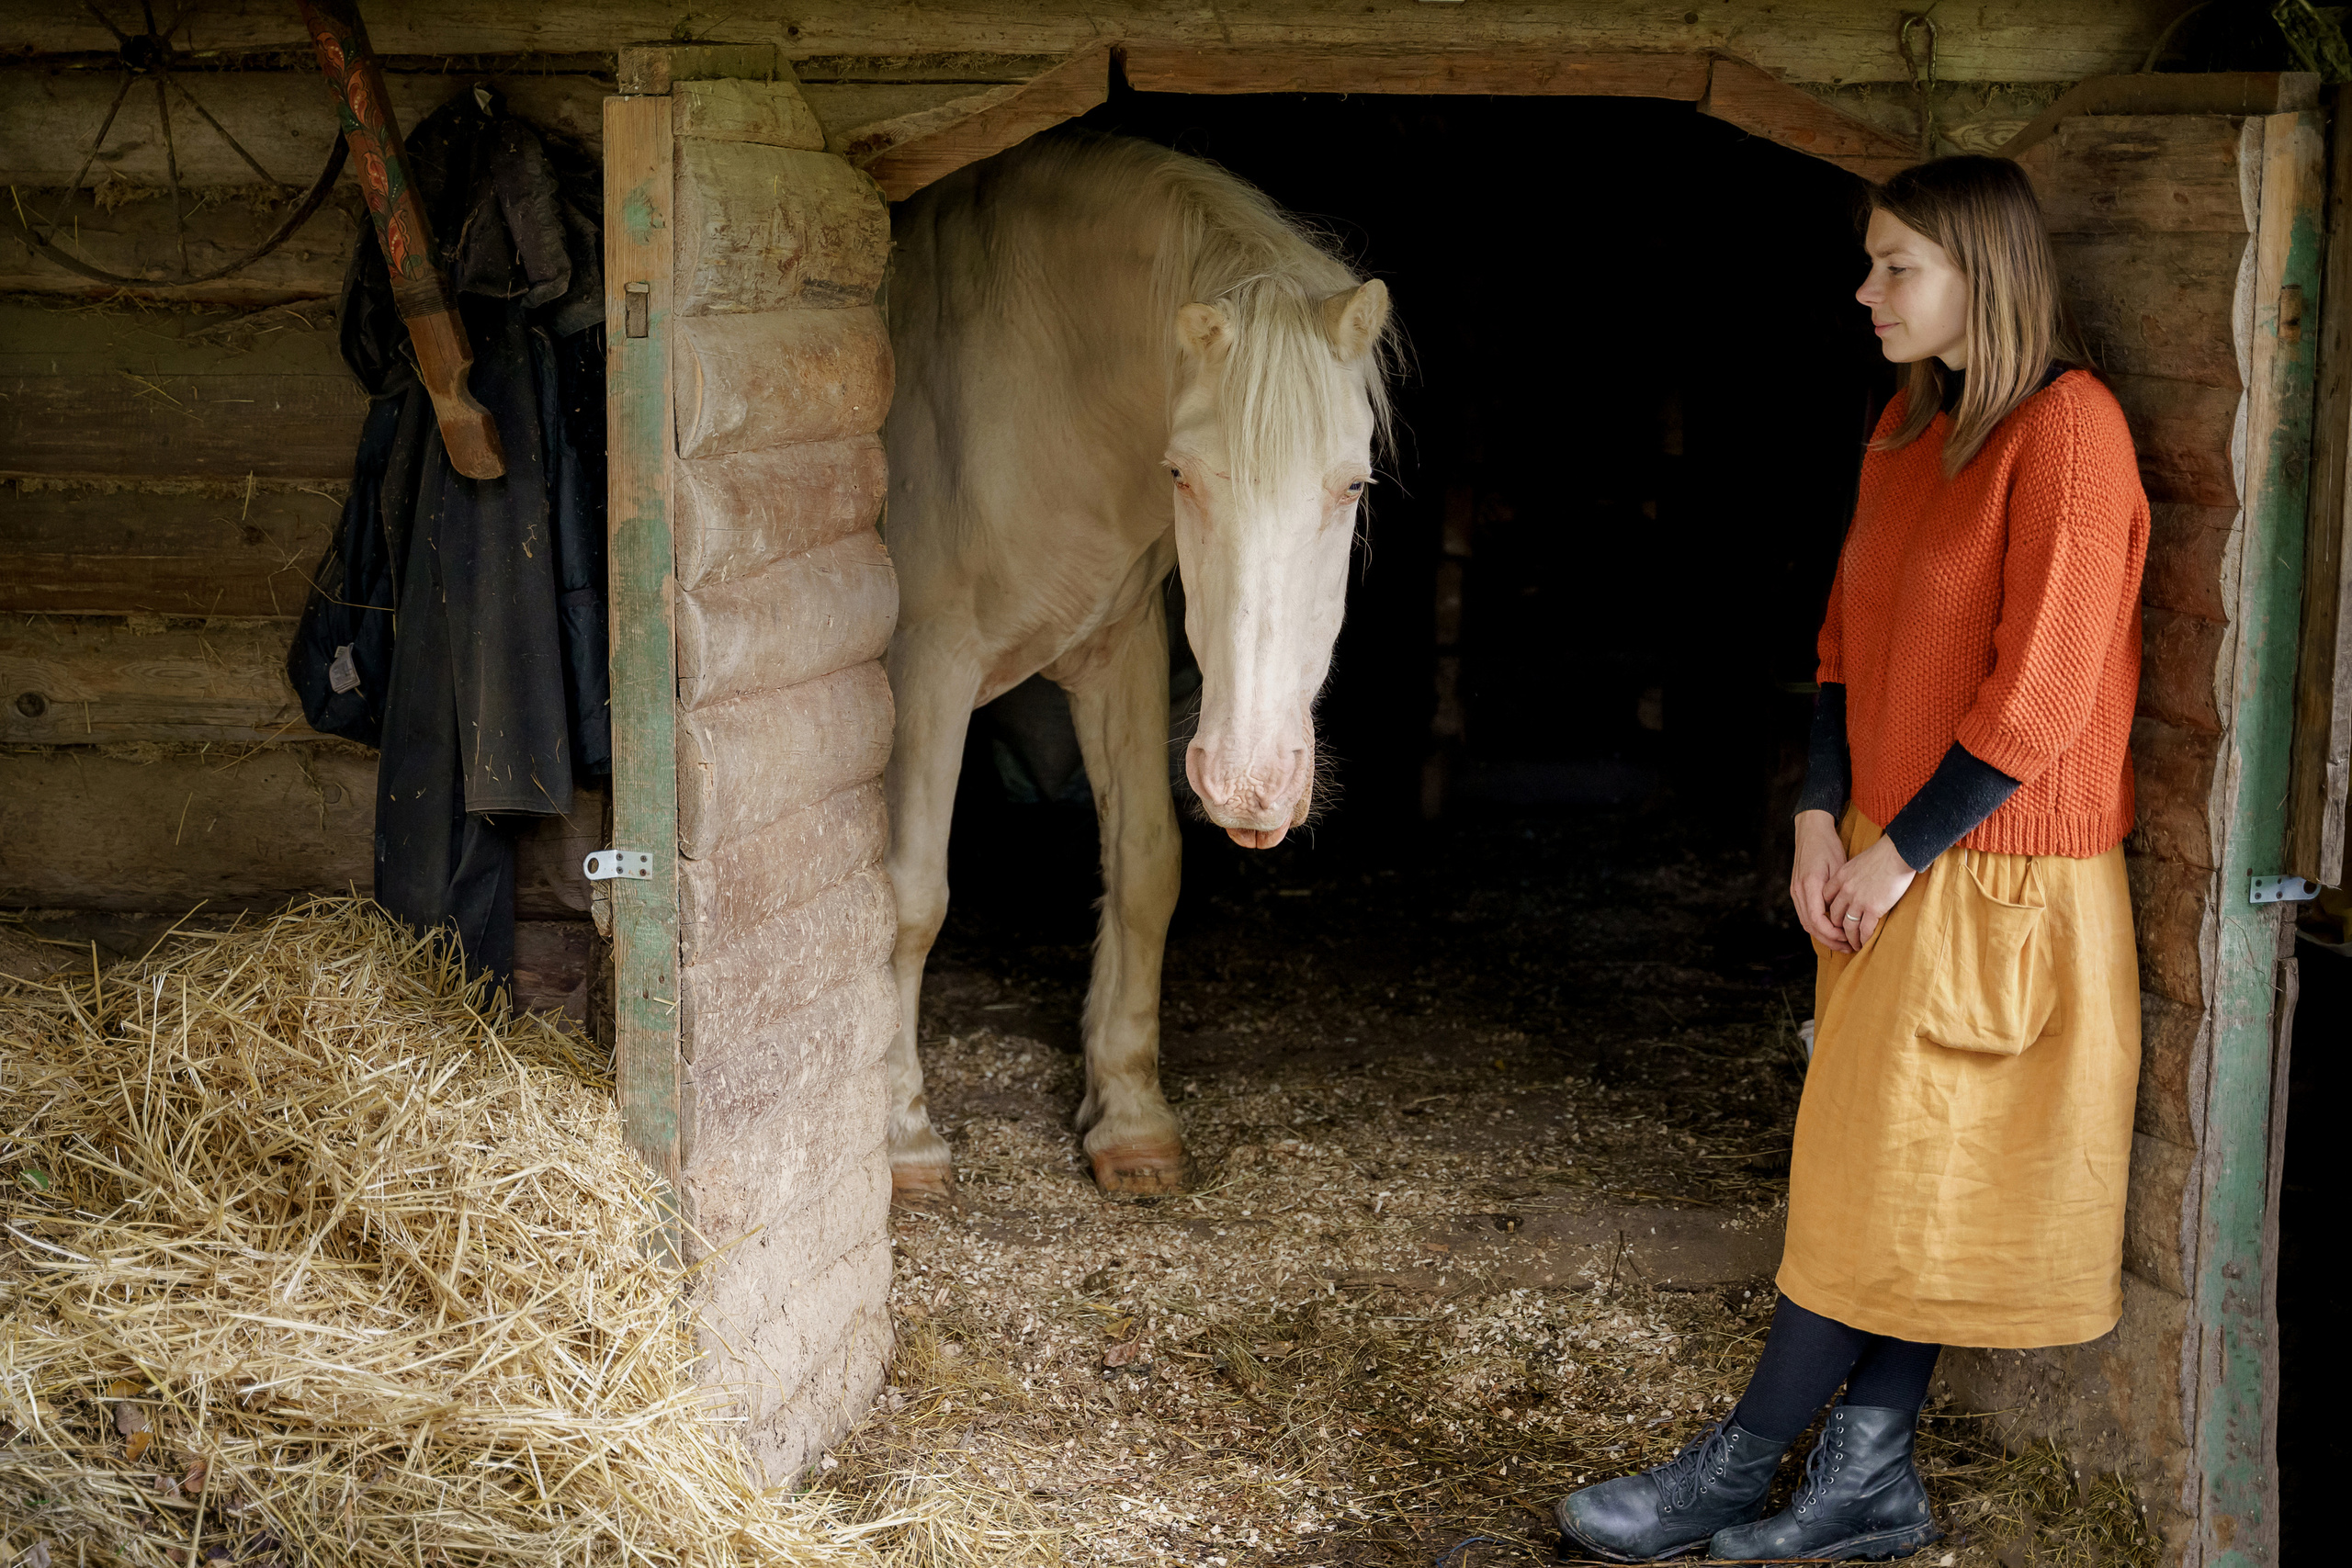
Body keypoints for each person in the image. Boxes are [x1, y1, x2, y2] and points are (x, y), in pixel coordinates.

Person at [1552, 154, 2149, 1563]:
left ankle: (1741, 1471)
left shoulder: (2069, 432)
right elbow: (1842, 649)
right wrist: (1824, 820)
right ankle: (1864, 1484)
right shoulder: (1905, 428)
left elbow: (2045, 692)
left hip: (2001, 879)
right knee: (1888, 1195)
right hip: (1895, 856)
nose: (1866, 291)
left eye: (1899, 267)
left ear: (1982, 277)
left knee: (1886, 1193)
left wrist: (1902, 854)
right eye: (1872, 263)